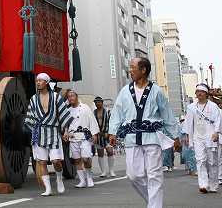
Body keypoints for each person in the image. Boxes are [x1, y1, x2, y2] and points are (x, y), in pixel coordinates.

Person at [108, 57, 180, 208]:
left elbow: (167, 114)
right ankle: (152, 201)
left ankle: (155, 205)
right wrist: (112, 132)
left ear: (143, 70)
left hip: (152, 137)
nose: (130, 70)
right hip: (132, 138)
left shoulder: (156, 91)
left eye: (133, 67)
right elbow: (117, 113)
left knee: (154, 175)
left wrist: (175, 136)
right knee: (133, 175)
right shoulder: (125, 91)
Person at [24, 73, 73, 196]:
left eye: (40, 80)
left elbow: (63, 115)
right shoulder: (33, 99)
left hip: (53, 132)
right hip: (39, 132)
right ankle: (48, 189)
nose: (38, 82)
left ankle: (59, 178)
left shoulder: (56, 97)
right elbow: (29, 117)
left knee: (56, 161)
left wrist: (66, 131)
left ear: (46, 82)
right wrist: (31, 131)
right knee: (42, 162)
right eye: (37, 81)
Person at [183, 83, 220, 193]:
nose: (199, 93)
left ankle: (213, 184)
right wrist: (187, 136)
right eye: (197, 91)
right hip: (198, 137)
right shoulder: (191, 107)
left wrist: (216, 132)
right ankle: (203, 184)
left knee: (212, 162)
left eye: (201, 91)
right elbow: (188, 123)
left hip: (210, 136)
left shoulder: (213, 106)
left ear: (206, 93)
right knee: (200, 160)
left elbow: (218, 120)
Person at [64, 89, 99, 188]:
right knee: (77, 160)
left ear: (76, 96)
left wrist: (94, 134)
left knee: (86, 158)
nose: (71, 98)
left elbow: (92, 120)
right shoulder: (68, 110)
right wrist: (66, 132)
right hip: (73, 137)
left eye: (72, 96)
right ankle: (82, 181)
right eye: (69, 96)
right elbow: (66, 125)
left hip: (85, 136)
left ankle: (89, 178)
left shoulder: (85, 107)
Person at [93, 96, 116, 177]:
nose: (97, 103)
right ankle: (103, 172)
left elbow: (112, 123)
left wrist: (110, 133)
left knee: (110, 151)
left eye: (99, 102)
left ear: (102, 103)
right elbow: (92, 123)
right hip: (98, 135)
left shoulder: (108, 112)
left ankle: (111, 171)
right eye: (96, 102)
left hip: (107, 135)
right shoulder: (93, 113)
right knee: (100, 153)